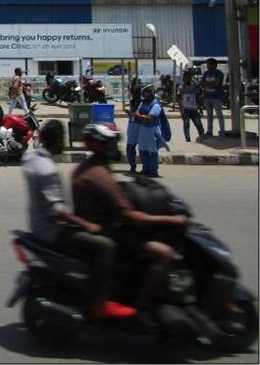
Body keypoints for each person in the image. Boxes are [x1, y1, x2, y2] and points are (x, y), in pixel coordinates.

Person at [21, 120, 136, 319]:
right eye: (62, 140)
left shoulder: (32, 159)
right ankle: (98, 303)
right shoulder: (48, 169)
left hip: (39, 223)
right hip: (53, 230)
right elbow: (58, 210)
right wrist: (88, 225)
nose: (64, 144)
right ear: (56, 141)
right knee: (106, 246)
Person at [72, 123, 188, 313]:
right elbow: (129, 216)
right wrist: (173, 220)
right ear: (98, 145)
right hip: (108, 232)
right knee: (164, 253)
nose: (114, 147)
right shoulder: (98, 175)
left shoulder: (92, 167)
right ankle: (142, 308)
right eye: (110, 143)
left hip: (106, 227)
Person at [132, 86, 167, 178]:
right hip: (143, 128)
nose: (144, 95)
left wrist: (140, 116)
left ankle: (153, 170)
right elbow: (137, 112)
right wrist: (142, 116)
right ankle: (145, 169)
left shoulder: (156, 105)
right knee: (142, 149)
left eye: (146, 93)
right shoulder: (143, 103)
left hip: (153, 129)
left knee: (152, 150)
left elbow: (150, 118)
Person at [178, 70, 206, 143]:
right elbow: (179, 99)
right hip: (185, 109)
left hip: (194, 109)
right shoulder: (181, 87)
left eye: (189, 77)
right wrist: (181, 110)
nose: (188, 79)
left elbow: (197, 97)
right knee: (186, 124)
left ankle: (202, 137)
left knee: (198, 124)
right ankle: (188, 140)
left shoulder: (194, 86)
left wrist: (200, 108)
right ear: (183, 78)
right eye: (186, 77)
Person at [200, 58, 225, 138]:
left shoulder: (219, 73)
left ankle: (222, 131)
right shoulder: (206, 73)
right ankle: (209, 131)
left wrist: (206, 84)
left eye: (208, 64)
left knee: (219, 115)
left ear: (213, 65)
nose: (207, 66)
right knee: (209, 115)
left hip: (216, 97)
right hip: (207, 96)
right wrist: (210, 84)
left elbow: (216, 84)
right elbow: (201, 83)